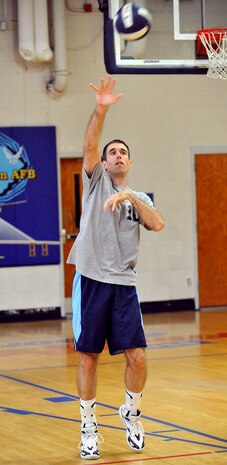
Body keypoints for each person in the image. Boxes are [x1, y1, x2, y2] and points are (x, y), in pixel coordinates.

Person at [67, 76, 165, 460]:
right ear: (103, 162)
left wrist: (131, 197)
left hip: (124, 285)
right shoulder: (94, 184)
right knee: (88, 356)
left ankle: (131, 411)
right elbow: (90, 142)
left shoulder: (137, 198)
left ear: (130, 161)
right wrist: (102, 107)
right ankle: (89, 427)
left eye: (124, 151)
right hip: (91, 281)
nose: (118, 155)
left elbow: (157, 223)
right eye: (113, 152)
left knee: (137, 355)